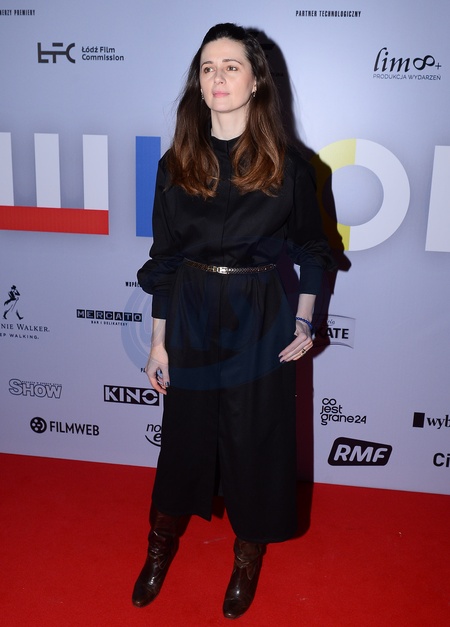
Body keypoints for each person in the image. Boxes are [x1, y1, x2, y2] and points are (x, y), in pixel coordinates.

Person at [133, 22, 335, 620]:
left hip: (260, 315)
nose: (217, 77)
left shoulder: (290, 167)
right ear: (197, 85)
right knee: (183, 442)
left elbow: (313, 249)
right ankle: (158, 546)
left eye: (230, 66)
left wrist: (304, 321)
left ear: (256, 81)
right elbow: (165, 260)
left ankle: (247, 557)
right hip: (192, 312)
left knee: (256, 443)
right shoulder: (175, 164)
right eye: (207, 68)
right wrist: (159, 342)